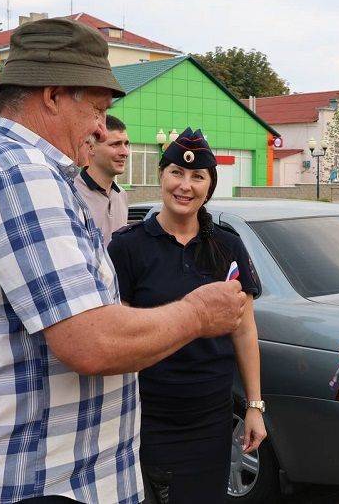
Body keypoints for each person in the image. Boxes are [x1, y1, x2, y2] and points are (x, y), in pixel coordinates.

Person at [0, 18, 246, 504]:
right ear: (53, 95)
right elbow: (92, 342)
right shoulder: (18, 177)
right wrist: (197, 314)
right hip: (18, 482)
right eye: (99, 110)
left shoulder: (3, 170)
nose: (103, 128)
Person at [108, 127, 266, 503]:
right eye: (177, 172)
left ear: (209, 188)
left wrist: (255, 407)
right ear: (161, 175)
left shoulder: (227, 246)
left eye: (198, 177)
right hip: (147, 415)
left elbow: (245, 332)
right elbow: (117, 333)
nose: (185, 185)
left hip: (210, 416)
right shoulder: (128, 247)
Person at [74, 114, 130, 245]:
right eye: (116, 144)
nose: (125, 152)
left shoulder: (121, 195)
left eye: (126, 144)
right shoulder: (72, 193)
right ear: (91, 147)